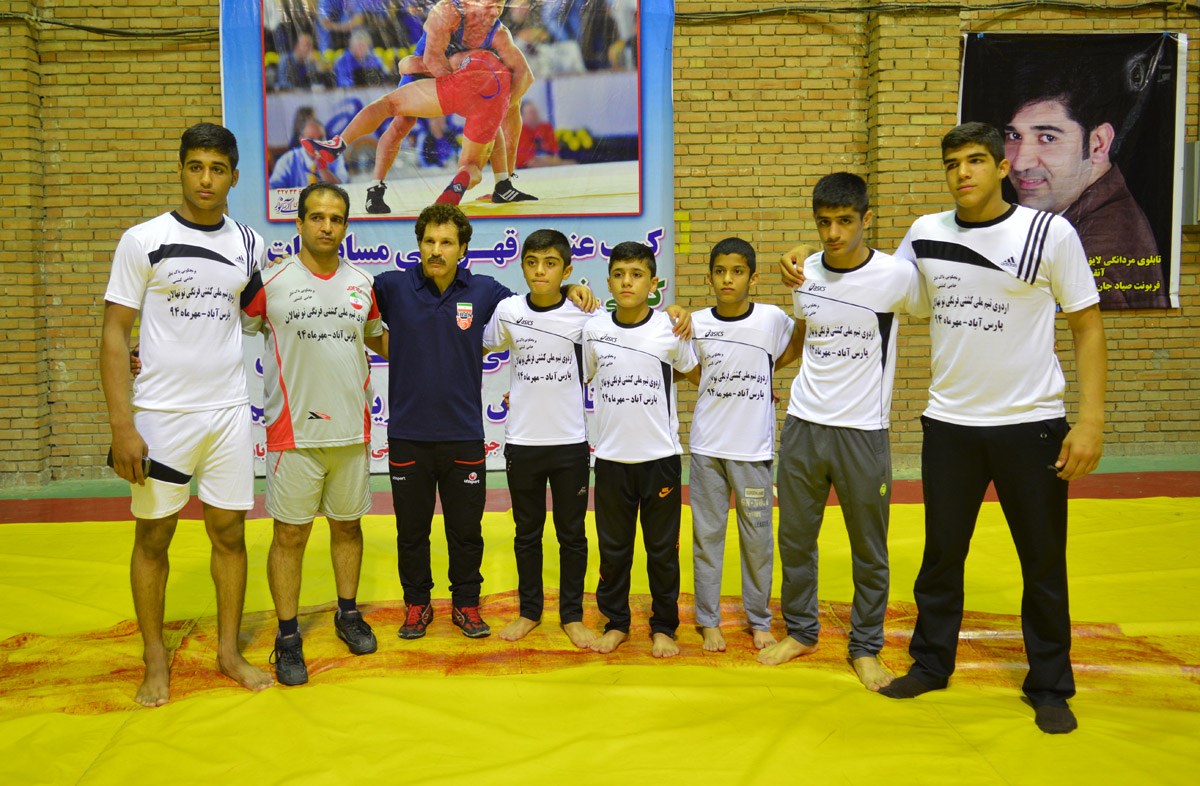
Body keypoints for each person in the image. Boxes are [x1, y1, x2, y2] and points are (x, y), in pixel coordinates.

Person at [782, 123, 1105, 733]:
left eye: (976, 160)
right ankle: (931, 664)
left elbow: (1087, 327)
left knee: (1041, 562)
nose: (963, 173)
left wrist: (1090, 421)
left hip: (1030, 423)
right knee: (941, 558)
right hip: (949, 424)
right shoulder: (926, 234)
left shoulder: (1048, 233)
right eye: (953, 163)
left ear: (1003, 166)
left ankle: (1049, 686)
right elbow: (862, 268)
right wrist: (807, 251)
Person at [100, 122, 274, 706]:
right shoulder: (142, 240)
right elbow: (113, 332)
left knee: (230, 534)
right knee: (154, 536)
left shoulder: (249, 244)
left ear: (234, 177)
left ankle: (228, 652)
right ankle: (155, 658)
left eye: (217, 169)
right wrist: (122, 426)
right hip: (161, 417)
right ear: (180, 169)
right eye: (196, 166)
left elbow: (258, 313)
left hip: (227, 413)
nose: (205, 179)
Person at [371, 205, 598, 640]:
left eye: (446, 242)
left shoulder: (486, 291)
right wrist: (393, 349)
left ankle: (466, 605)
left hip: (464, 435)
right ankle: (416, 605)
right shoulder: (392, 286)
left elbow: (537, 304)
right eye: (429, 241)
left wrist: (570, 289)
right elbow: (351, 304)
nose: (436, 250)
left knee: (466, 532)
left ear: (463, 249)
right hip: (407, 435)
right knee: (411, 532)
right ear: (418, 244)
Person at [758, 174, 926, 692]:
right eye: (824, 222)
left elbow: (938, 302)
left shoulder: (897, 276)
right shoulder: (803, 272)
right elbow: (805, 334)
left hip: (863, 431)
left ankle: (866, 647)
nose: (833, 233)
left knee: (869, 548)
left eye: (845, 221)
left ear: (866, 219)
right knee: (795, 539)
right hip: (804, 426)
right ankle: (802, 632)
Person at [242, 183, 387, 685]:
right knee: (289, 535)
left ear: (346, 225)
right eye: (318, 217)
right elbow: (224, 331)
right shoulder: (270, 281)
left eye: (337, 218)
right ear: (299, 222)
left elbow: (381, 341)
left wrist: (448, 345)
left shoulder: (363, 283)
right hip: (293, 436)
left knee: (348, 527)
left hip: (351, 433)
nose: (327, 226)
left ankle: (348, 614)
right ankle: (287, 638)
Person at [681, 237, 800, 653]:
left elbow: (796, 344)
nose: (727, 279)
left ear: (753, 276)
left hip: (753, 451)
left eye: (737, 271)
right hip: (708, 449)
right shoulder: (696, 323)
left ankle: (759, 619)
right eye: (719, 271)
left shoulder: (771, 318)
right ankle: (708, 620)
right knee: (707, 537)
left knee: (758, 542)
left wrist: (766, 373)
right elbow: (683, 364)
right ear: (709, 277)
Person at [583, 241, 699, 658]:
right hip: (611, 460)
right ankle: (616, 622)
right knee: (613, 551)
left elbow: (693, 371)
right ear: (609, 281)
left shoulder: (669, 328)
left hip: (660, 460)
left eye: (636, 274)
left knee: (662, 552)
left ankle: (664, 626)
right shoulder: (594, 329)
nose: (627, 282)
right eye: (619, 274)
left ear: (653, 283)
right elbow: (585, 374)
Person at [481, 229, 595, 648]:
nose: (540, 271)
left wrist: (576, 291)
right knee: (526, 533)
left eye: (550, 264)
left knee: (572, 535)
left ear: (566, 269)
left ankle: (572, 616)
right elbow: (480, 347)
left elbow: (601, 362)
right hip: (523, 442)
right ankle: (529, 611)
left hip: (569, 443)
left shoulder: (585, 315)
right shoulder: (508, 310)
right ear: (522, 266)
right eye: (532, 263)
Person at [1001, 65, 1167, 308]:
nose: (1019, 163)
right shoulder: (1096, 214)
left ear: (1098, 143)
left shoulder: (1096, 255)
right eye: (1014, 136)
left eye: (1048, 138)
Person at [356, 0, 537, 213]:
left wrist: (496, 106)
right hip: (431, 68)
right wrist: (456, 89)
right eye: (490, 7)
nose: (494, 13)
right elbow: (429, 60)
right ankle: (375, 187)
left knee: (507, 108)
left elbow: (525, 75)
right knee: (401, 122)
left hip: (455, 74)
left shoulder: (498, 32)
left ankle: (504, 183)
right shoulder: (449, 12)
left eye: (499, 7)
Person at [304, 48, 513, 206]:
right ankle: (498, 183)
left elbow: (409, 65)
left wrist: (430, 66)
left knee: (391, 112)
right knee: (474, 157)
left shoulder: (451, 20)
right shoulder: (494, 44)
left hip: (444, 80)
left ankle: (347, 155)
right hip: (480, 89)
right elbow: (411, 64)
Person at [270, 109, 348, 189]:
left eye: (321, 138)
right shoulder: (287, 161)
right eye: (311, 140)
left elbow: (343, 187)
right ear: (301, 140)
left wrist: (323, 168)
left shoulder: (336, 157)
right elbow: (272, 189)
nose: (317, 144)